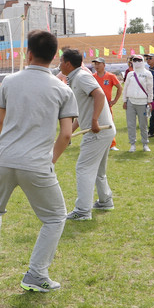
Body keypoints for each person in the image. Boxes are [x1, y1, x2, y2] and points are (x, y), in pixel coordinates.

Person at [0, 30, 77, 292]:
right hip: (36, 163)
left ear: (28, 53)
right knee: (55, 217)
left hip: (3, 158)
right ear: (54, 57)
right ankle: (36, 273)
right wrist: (51, 160)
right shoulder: (63, 89)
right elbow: (66, 134)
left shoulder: (9, 81)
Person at [59, 48, 116, 221]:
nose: (59, 65)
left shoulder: (82, 77)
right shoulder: (75, 78)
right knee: (98, 170)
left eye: (61, 61)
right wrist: (68, 132)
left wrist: (94, 121)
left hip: (98, 131)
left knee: (83, 168)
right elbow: (82, 112)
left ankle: (83, 211)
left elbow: (99, 95)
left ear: (68, 64)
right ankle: (105, 201)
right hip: (103, 131)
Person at [121, 55, 153, 152]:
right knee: (131, 124)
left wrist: (149, 101)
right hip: (131, 101)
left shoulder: (147, 73)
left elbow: (150, 89)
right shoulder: (130, 74)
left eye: (139, 60)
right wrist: (124, 100)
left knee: (143, 125)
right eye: (135, 60)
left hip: (143, 102)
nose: (137, 62)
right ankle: (132, 144)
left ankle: (145, 144)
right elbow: (125, 88)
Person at [91, 57, 122, 151]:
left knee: (109, 123)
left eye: (98, 64)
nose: (96, 66)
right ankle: (97, 142)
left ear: (104, 65)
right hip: (95, 105)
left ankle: (112, 144)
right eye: (95, 64)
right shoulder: (92, 77)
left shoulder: (111, 76)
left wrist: (115, 100)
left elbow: (119, 87)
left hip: (107, 105)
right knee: (95, 123)